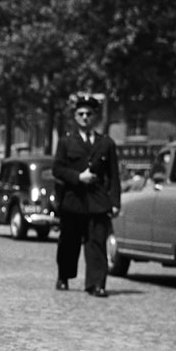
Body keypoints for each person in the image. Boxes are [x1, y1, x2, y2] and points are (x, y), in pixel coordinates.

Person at [52, 92, 122, 297]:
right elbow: (57, 169)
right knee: (69, 243)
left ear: (95, 117)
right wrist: (77, 177)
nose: (85, 117)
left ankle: (96, 284)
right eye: (81, 114)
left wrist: (115, 202)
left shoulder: (106, 144)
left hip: (97, 202)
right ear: (75, 116)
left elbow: (114, 176)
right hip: (73, 201)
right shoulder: (66, 142)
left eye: (89, 114)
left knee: (96, 243)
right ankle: (63, 276)